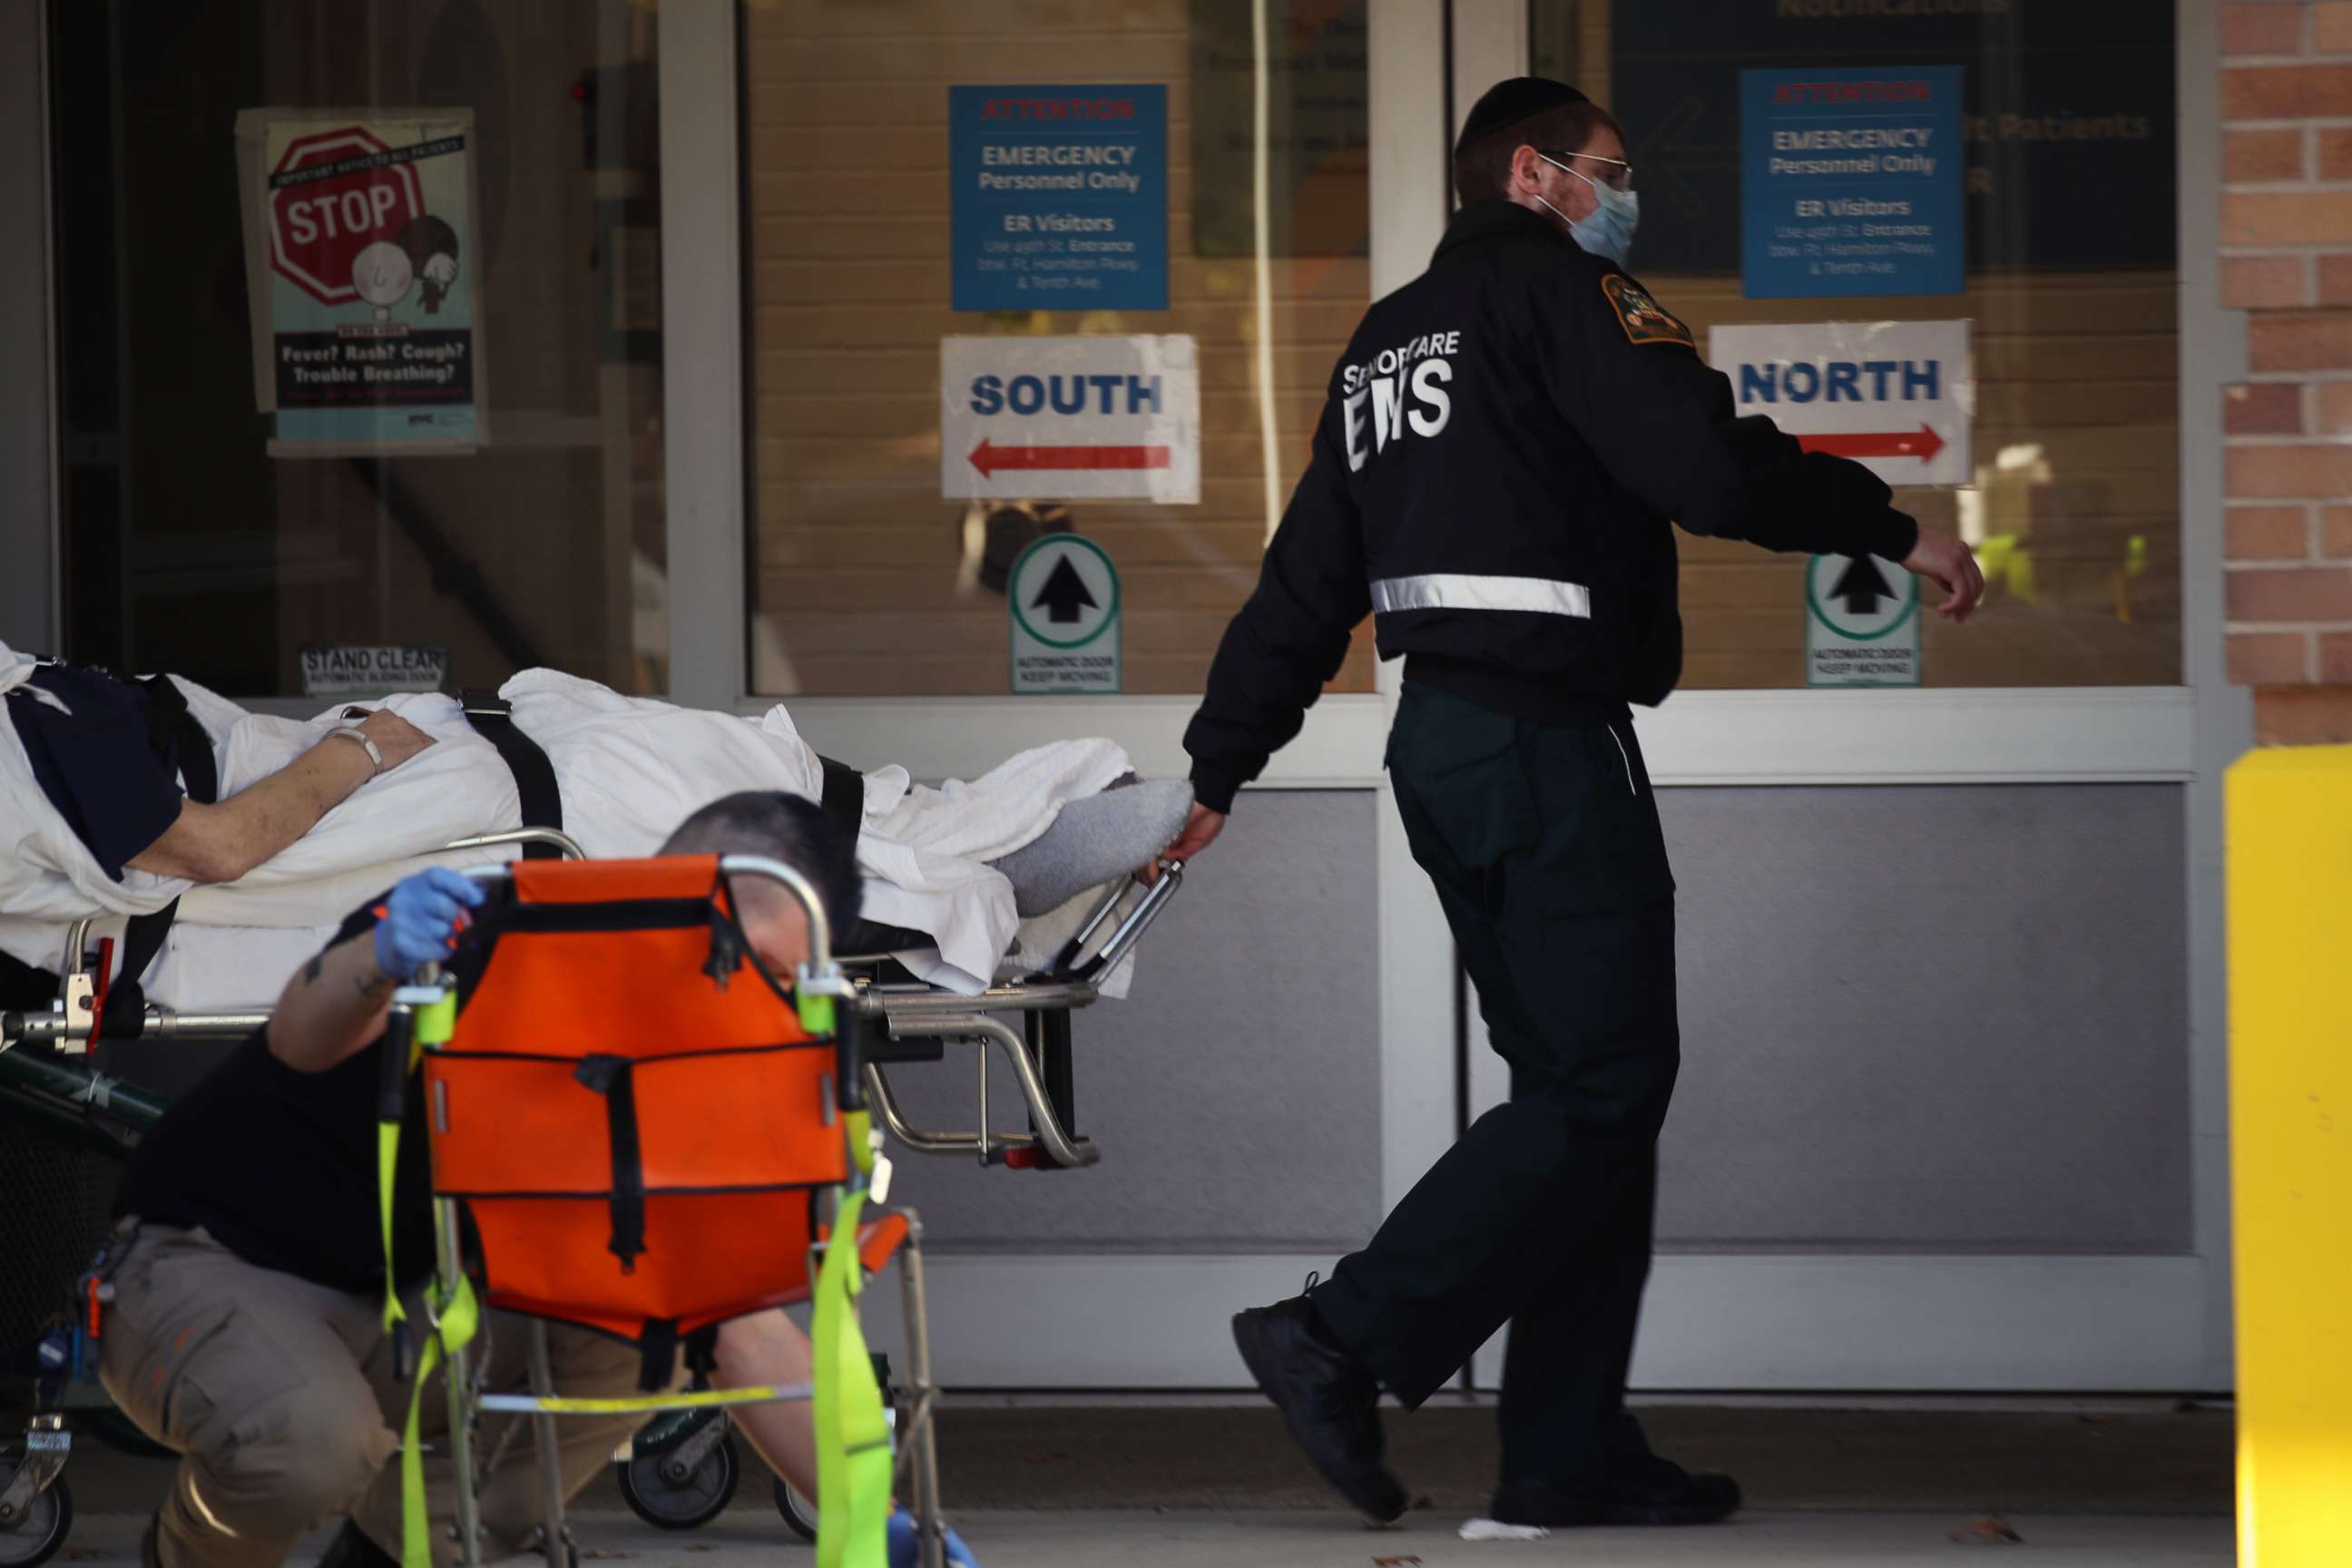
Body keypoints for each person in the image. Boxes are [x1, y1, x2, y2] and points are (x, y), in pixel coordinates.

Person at [1161, 77, 1984, 1534]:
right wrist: (1895, 526)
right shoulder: (1566, 298)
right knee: (1604, 1087)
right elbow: (1702, 465)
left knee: (1587, 1100)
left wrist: (1220, 763)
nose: (1624, 194)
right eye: (1608, 168)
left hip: (1447, 748)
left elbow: (1306, 578)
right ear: (1533, 175)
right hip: (1542, 742)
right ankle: (1338, 1336)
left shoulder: (1386, 346)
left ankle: (1566, 1451)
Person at [100, 791, 970, 1568]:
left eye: (766, 978)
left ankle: (403, 1553)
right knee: (310, 1445)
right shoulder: (492, 924)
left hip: (404, 1313)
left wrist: (871, 1523)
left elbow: (730, 1317)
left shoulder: (696, 1071)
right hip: (208, 1267)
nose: (730, 989)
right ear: (661, 883)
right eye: (721, 950)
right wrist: (383, 957)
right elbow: (303, 1040)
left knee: (644, 1332)